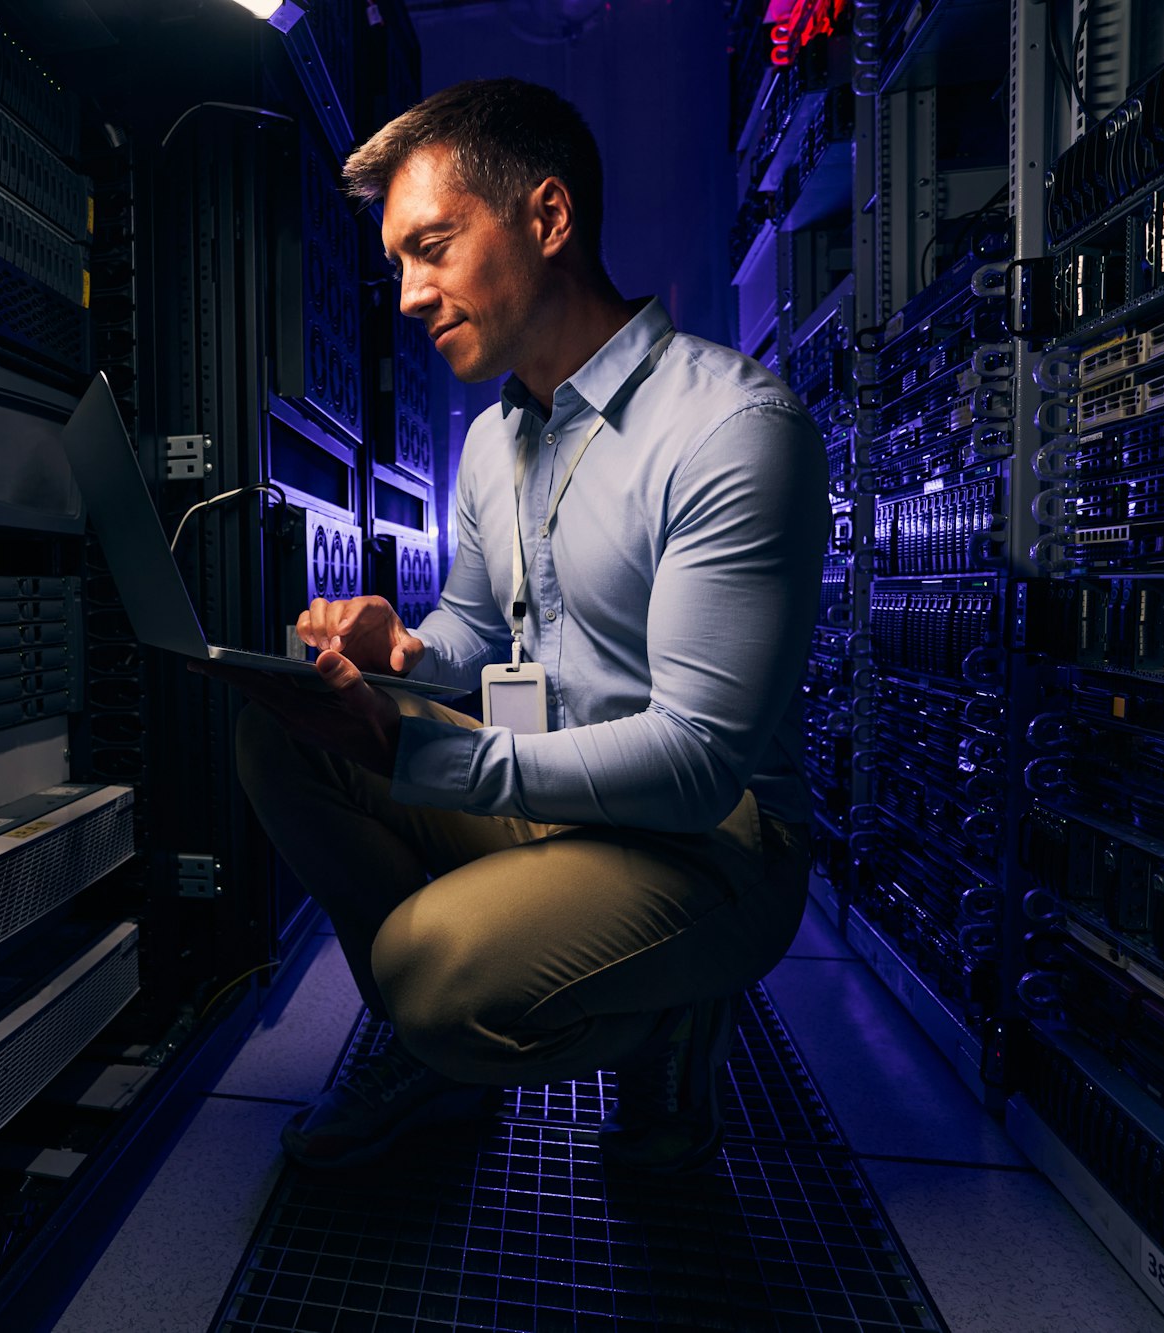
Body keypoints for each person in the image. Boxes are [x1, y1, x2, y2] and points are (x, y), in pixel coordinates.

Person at [194, 77, 829, 1175]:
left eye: (430, 247)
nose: (404, 295)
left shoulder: (732, 429)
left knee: (430, 967)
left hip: (712, 842)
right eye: (396, 261)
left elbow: (690, 766)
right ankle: (437, 1054)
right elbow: (472, 636)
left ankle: (671, 1005)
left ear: (546, 218)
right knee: (279, 732)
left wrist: (407, 743)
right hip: (554, 795)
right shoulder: (495, 440)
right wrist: (403, 652)